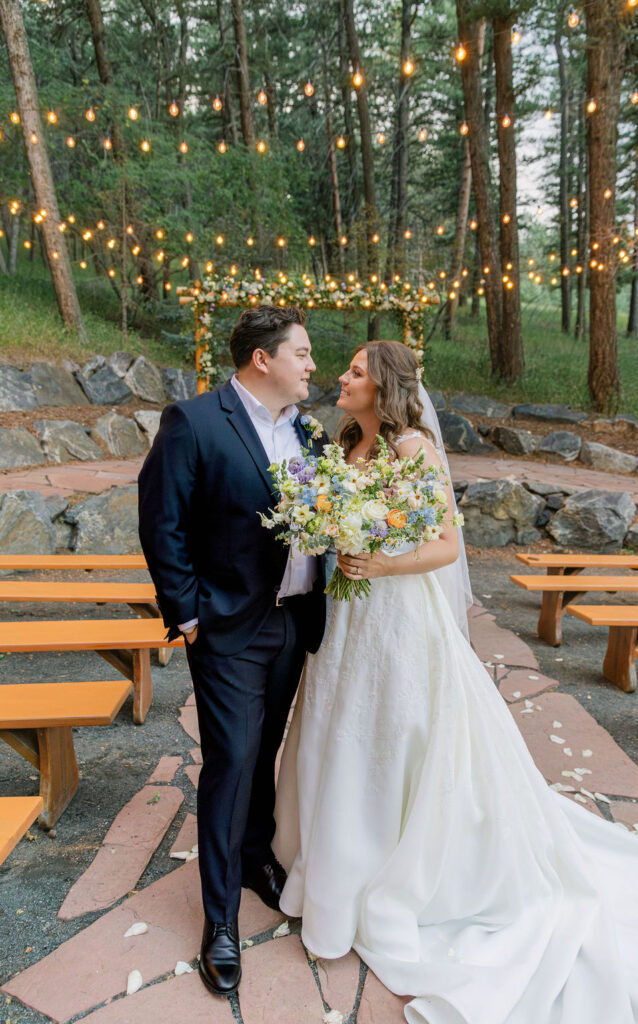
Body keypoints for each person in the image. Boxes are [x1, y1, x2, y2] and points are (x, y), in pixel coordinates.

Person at [273, 339, 638, 1024]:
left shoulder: (412, 451)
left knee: (395, 733)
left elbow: (441, 546)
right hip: (345, 622)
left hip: (397, 616)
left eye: (353, 372)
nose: (339, 379)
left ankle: (388, 868)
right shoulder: (346, 444)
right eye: (341, 369)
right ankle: (324, 858)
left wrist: (377, 564)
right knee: (337, 726)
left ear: (383, 386)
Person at [138, 305, 327, 997]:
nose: (311, 366)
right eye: (301, 353)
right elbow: (163, 520)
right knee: (233, 759)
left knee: (266, 748)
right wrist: (185, 613)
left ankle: (255, 858)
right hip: (227, 628)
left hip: (294, 622)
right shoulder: (193, 423)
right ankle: (219, 920)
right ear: (262, 360)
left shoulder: (307, 431)